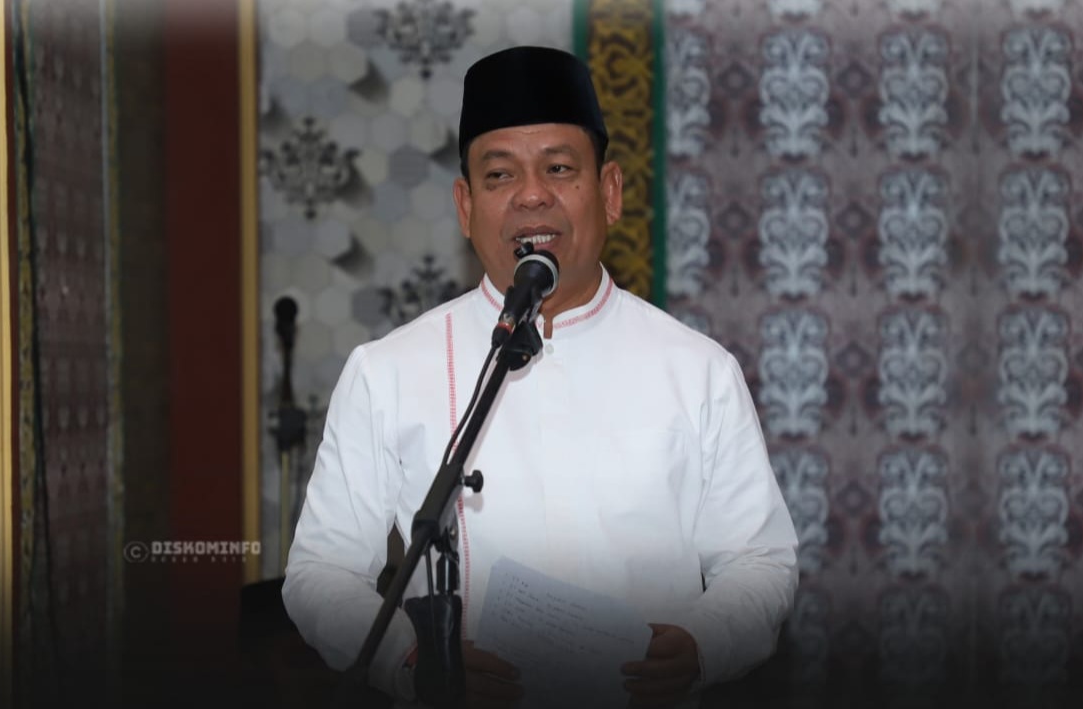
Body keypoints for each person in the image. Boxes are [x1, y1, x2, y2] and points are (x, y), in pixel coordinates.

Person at [283, 46, 799, 708]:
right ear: (466, 205)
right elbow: (320, 571)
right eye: (500, 175)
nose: (531, 195)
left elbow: (761, 561)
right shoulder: (386, 372)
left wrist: (704, 643)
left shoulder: (699, 371)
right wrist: (411, 659)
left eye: (558, 168)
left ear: (609, 192)